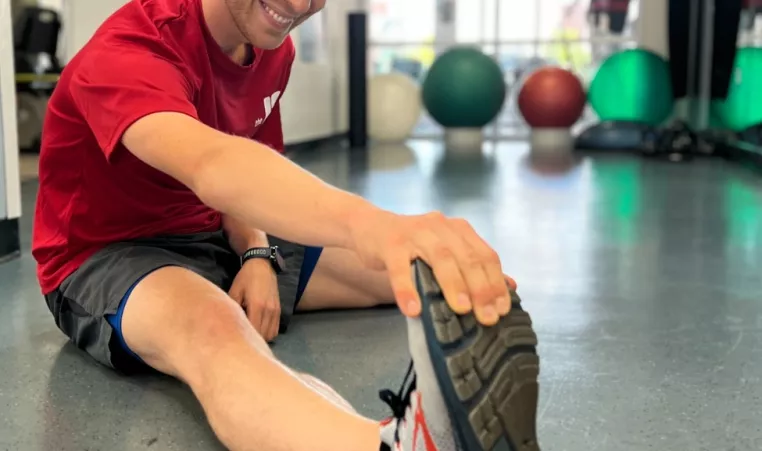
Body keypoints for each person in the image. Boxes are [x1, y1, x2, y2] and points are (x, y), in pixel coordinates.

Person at [32, 0, 541, 450]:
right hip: (110, 257)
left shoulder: (270, 44)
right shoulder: (127, 52)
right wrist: (372, 222)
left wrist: (256, 253)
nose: (300, 3)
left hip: (213, 232)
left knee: (418, 272)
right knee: (213, 330)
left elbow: (246, 165)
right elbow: (213, 164)